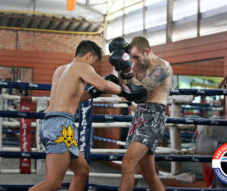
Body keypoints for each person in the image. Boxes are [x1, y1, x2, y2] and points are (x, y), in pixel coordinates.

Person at [29, 40, 148, 191]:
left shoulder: (60, 70)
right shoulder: (82, 66)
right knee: (53, 183)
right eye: (94, 62)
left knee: (82, 171)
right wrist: (126, 90)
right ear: (89, 55)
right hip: (61, 127)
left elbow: (75, 98)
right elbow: (104, 85)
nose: (92, 67)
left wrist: (92, 93)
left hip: (52, 123)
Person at [108, 36, 173, 191]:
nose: (134, 61)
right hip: (138, 117)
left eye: (136, 57)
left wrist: (127, 71)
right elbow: (125, 87)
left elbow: (143, 91)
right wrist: (120, 66)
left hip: (153, 117)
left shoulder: (162, 67)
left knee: (127, 165)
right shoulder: (136, 65)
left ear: (147, 51)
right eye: (131, 58)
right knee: (149, 175)